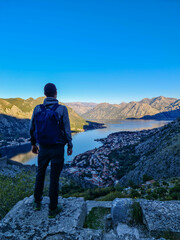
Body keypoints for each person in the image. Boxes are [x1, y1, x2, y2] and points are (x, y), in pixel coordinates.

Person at [29, 83, 73, 218]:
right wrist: (70, 145)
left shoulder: (37, 108)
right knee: (54, 178)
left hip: (43, 147)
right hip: (58, 148)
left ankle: (37, 202)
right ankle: (53, 209)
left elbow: (32, 128)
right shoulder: (62, 109)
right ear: (56, 93)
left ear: (44, 93)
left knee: (40, 174)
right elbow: (66, 129)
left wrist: (33, 144)